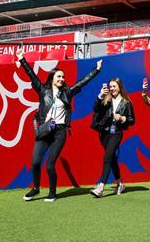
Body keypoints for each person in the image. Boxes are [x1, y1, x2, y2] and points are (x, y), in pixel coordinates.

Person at [17, 48, 102, 202]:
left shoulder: (67, 92)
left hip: (59, 132)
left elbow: (82, 82)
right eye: (59, 76)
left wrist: (96, 70)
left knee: (50, 164)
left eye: (63, 77)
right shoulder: (43, 91)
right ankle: (35, 189)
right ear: (52, 78)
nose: (62, 79)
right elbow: (32, 75)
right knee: (35, 161)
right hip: (44, 130)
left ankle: (52, 192)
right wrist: (22, 59)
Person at [90, 78, 135, 198]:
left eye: (114, 86)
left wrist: (122, 118)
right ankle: (120, 184)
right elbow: (96, 109)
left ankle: (100, 187)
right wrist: (100, 95)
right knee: (112, 159)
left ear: (119, 87)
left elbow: (132, 120)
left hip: (117, 132)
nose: (112, 88)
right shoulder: (106, 99)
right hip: (104, 133)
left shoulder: (126, 102)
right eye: (110, 86)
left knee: (107, 157)